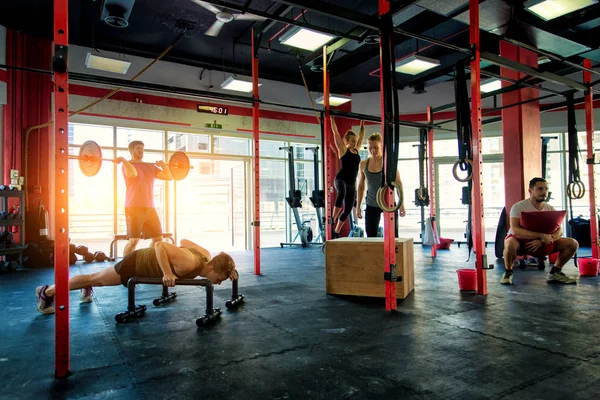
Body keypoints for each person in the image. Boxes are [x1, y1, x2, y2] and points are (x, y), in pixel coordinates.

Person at [35, 240, 238, 314]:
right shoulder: (189, 262)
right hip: (136, 263)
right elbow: (160, 246)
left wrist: (231, 272)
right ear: (212, 269)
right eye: (220, 278)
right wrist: (167, 272)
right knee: (94, 278)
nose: (219, 282)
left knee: (96, 279)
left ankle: (85, 288)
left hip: (143, 262)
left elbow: (184, 240)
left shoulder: (206, 256)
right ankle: (47, 291)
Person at [501, 177, 578, 285]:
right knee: (509, 244)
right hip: (521, 242)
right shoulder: (519, 207)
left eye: (546, 189)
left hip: (544, 242)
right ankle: (508, 272)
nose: (544, 192)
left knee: (572, 243)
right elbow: (515, 230)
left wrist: (544, 240)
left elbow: (559, 230)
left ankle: (555, 272)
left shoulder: (550, 208)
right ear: (530, 191)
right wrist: (541, 236)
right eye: (540, 189)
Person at [114, 141, 173, 256]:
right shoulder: (127, 165)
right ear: (131, 150)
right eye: (138, 148)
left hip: (150, 208)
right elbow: (133, 174)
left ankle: (145, 258)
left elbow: (169, 177)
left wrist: (163, 166)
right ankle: (124, 267)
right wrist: (123, 160)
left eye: (142, 148)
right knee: (133, 241)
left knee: (158, 238)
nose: (141, 151)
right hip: (134, 207)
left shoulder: (150, 166)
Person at [356, 132, 406, 237]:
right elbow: (361, 186)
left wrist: (401, 205)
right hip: (371, 203)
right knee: (370, 235)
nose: (373, 151)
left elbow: (398, 184)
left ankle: (392, 254)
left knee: (393, 235)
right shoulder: (363, 164)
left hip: (389, 203)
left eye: (376, 148)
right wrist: (358, 206)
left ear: (381, 146)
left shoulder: (389, 163)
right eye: (370, 148)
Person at [331, 118, 365, 238]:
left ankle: (336, 231)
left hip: (351, 184)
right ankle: (333, 218)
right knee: (341, 193)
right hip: (340, 180)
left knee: (348, 209)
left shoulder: (356, 150)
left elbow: (361, 138)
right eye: (352, 141)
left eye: (355, 141)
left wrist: (362, 126)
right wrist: (332, 119)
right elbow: (336, 133)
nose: (355, 143)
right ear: (346, 141)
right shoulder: (343, 150)